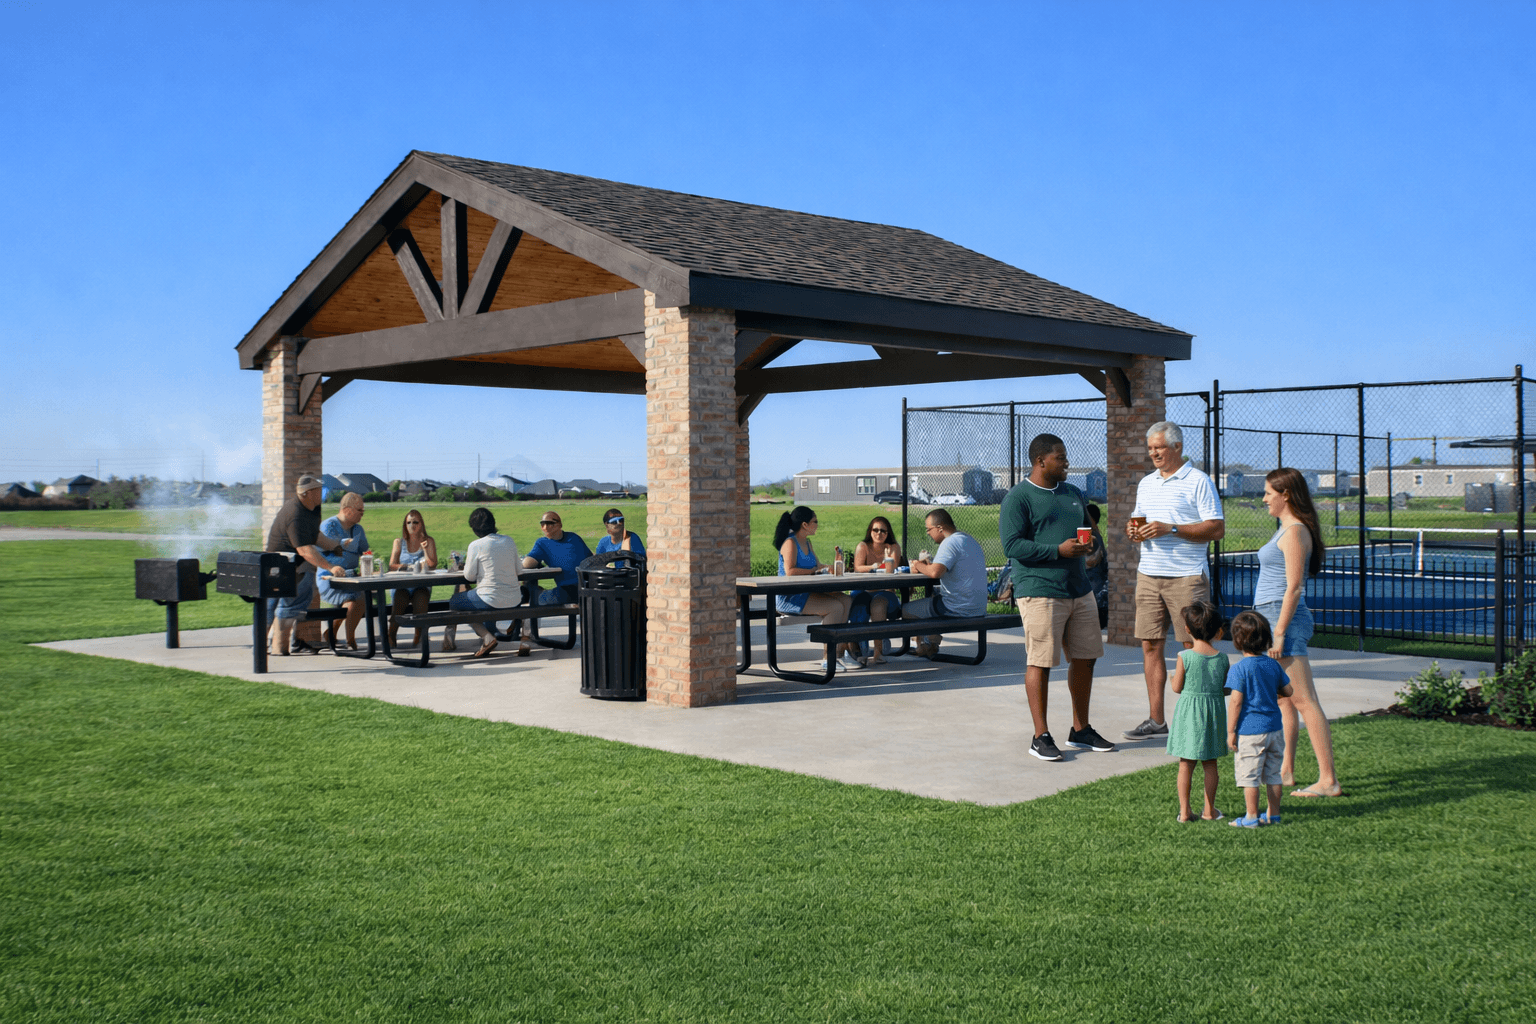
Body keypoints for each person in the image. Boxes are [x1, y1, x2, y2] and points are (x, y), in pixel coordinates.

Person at [1000, 433, 1113, 762]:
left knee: (1086, 657)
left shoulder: (1073, 493)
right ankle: (1040, 736)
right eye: (1061, 458)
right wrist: (1057, 551)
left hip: (1079, 588)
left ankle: (1080, 729)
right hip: (1039, 590)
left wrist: (1089, 543)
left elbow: (1089, 532)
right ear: (1041, 461)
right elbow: (1012, 546)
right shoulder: (1018, 498)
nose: (1066, 463)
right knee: (1041, 661)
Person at [1123, 420, 1226, 742]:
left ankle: (1194, 719)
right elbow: (1139, 519)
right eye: (1150, 448)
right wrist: (1133, 529)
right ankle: (1157, 720)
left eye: (1159, 447)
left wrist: (1173, 528)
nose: (1153, 453)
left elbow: (1216, 528)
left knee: (1193, 647)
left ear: (1177, 448)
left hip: (1187, 578)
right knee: (1150, 645)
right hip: (1149, 575)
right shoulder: (1147, 483)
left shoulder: (1199, 481)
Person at [1258, 467, 1341, 798]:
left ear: (1285, 495)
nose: (1264, 499)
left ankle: (1328, 780)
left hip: (1284, 617)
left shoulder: (1294, 533)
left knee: (1305, 700)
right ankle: (1287, 771)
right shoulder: (1286, 529)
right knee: (1284, 699)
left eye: (1267, 493)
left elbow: (1293, 588)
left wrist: (1278, 633)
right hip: (1274, 617)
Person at [263, 473, 352, 657]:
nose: (323, 493)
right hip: (282, 567)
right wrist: (330, 567)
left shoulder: (312, 508)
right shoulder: (295, 514)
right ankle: (278, 648)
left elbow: (314, 536)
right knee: (286, 606)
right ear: (308, 493)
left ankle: (270, 646)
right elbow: (304, 549)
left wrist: (334, 545)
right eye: (319, 490)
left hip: (294, 565)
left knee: (278, 606)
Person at [1225, 610, 1295, 827]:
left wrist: (1230, 731)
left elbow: (1236, 701)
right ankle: (1273, 814)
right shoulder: (1273, 665)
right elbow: (1289, 690)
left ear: (1237, 641)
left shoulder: (1239, 669)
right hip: (1274, 729)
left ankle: (1251, 817)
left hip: (1250, 731)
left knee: (1250, 776)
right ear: (1267, 639)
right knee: (1274, 775)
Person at [773, 505, 859, 673]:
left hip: (807, 592)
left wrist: (830, 566)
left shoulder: (807, 542)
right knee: (835, 607)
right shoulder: (790, 542)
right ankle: (828, 658)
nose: (817, 524)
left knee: (846, 600)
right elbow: (790, 571)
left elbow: (817, 566)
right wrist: (816, 571)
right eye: (815, 521)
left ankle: (840, 653)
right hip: (790, 597)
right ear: (805, 525)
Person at [1166, 600, 1229, 823]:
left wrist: (1171, 676)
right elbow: (1225, 688)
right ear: (1217, 631)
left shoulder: (1185, 657)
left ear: (1187, 630)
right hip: (1213, 714)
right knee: (1210, 764)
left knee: (1186, 764)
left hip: (1189, 715)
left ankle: (1184, 812)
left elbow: (1177, 688)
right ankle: (1209, 811)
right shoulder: (1222, 658)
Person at [902, 508, 987, 660]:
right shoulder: (969, 540)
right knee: (932, 602)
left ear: (940, 528)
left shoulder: (949, 542)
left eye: (929, 529)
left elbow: (935, 572)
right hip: (978, 607)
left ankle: (926, 646)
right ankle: (930, 644)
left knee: (906, 610)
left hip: (957, 607)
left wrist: (917, 565)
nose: (928, 533)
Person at [446, 507, 522, 658]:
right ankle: (504, 631)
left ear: (474, 529)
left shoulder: (476, 545)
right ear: (493, 524)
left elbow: (469, 576)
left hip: (490, 598)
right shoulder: (509, 540)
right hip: (515, 599)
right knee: (481, 601)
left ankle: (486, 637)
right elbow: (519, 571)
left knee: (455, 602)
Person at [315, 492, 370, 650]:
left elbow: (365, 550)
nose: (362, 514)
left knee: (361, 599)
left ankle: (331, 633)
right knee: (356, 600)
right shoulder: (329, 526)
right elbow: (322, 546)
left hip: (352, 578)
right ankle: (350, 639)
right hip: (329, 578)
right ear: (347, 510)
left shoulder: (358, 529)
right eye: (360, 511)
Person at [852, 515, 904, 664]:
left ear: (888, 533)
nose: (879, 533)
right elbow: (858, 568)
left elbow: (890, 569)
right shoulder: (863, 546)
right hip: (865, 591)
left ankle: (878, 651)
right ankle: (857, 649)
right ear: (870, 531)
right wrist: (874, 567)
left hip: (886, 593)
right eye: (875, 530)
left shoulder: (893, 547)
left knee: (878, 603)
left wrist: (885, 560)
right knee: (858, 602)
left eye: (883, 531)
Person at [388, 508, 438, 649]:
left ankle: (419, 635)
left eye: (415, 522)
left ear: (421, 523)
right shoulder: (399, 542)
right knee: (400, 599)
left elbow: (433, 564)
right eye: (409, 522)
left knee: (421, 600)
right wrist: (407, 566)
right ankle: (391, 634)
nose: (412, 525)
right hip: (403, 583)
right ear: (405, 525)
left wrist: (425, 551)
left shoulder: (429, 541)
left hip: (421, 584)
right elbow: (392, 565)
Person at [1084, 503, 1109, 629]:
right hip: (1098, 595)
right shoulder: (1094, 534)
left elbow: (1088, 561)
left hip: (1093, 596)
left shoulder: (1087, 534)